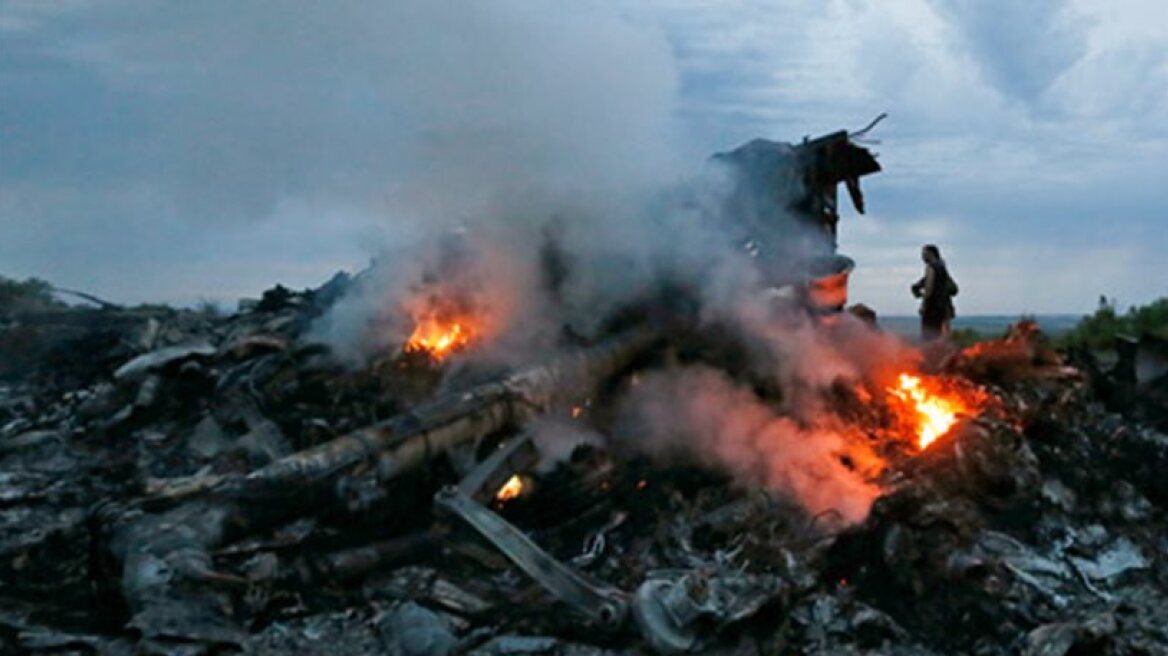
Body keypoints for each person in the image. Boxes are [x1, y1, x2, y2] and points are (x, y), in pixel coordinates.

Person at [910, 244, 958, 340]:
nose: (922, 257)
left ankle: (932, 354)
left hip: (933, 309)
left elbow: (929, 289)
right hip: (942, 309)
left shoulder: (932, 267)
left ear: (931, 254)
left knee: (929, 337)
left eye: (924, 254)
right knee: (941, 336)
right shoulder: (941, 267)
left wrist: (924, 305)